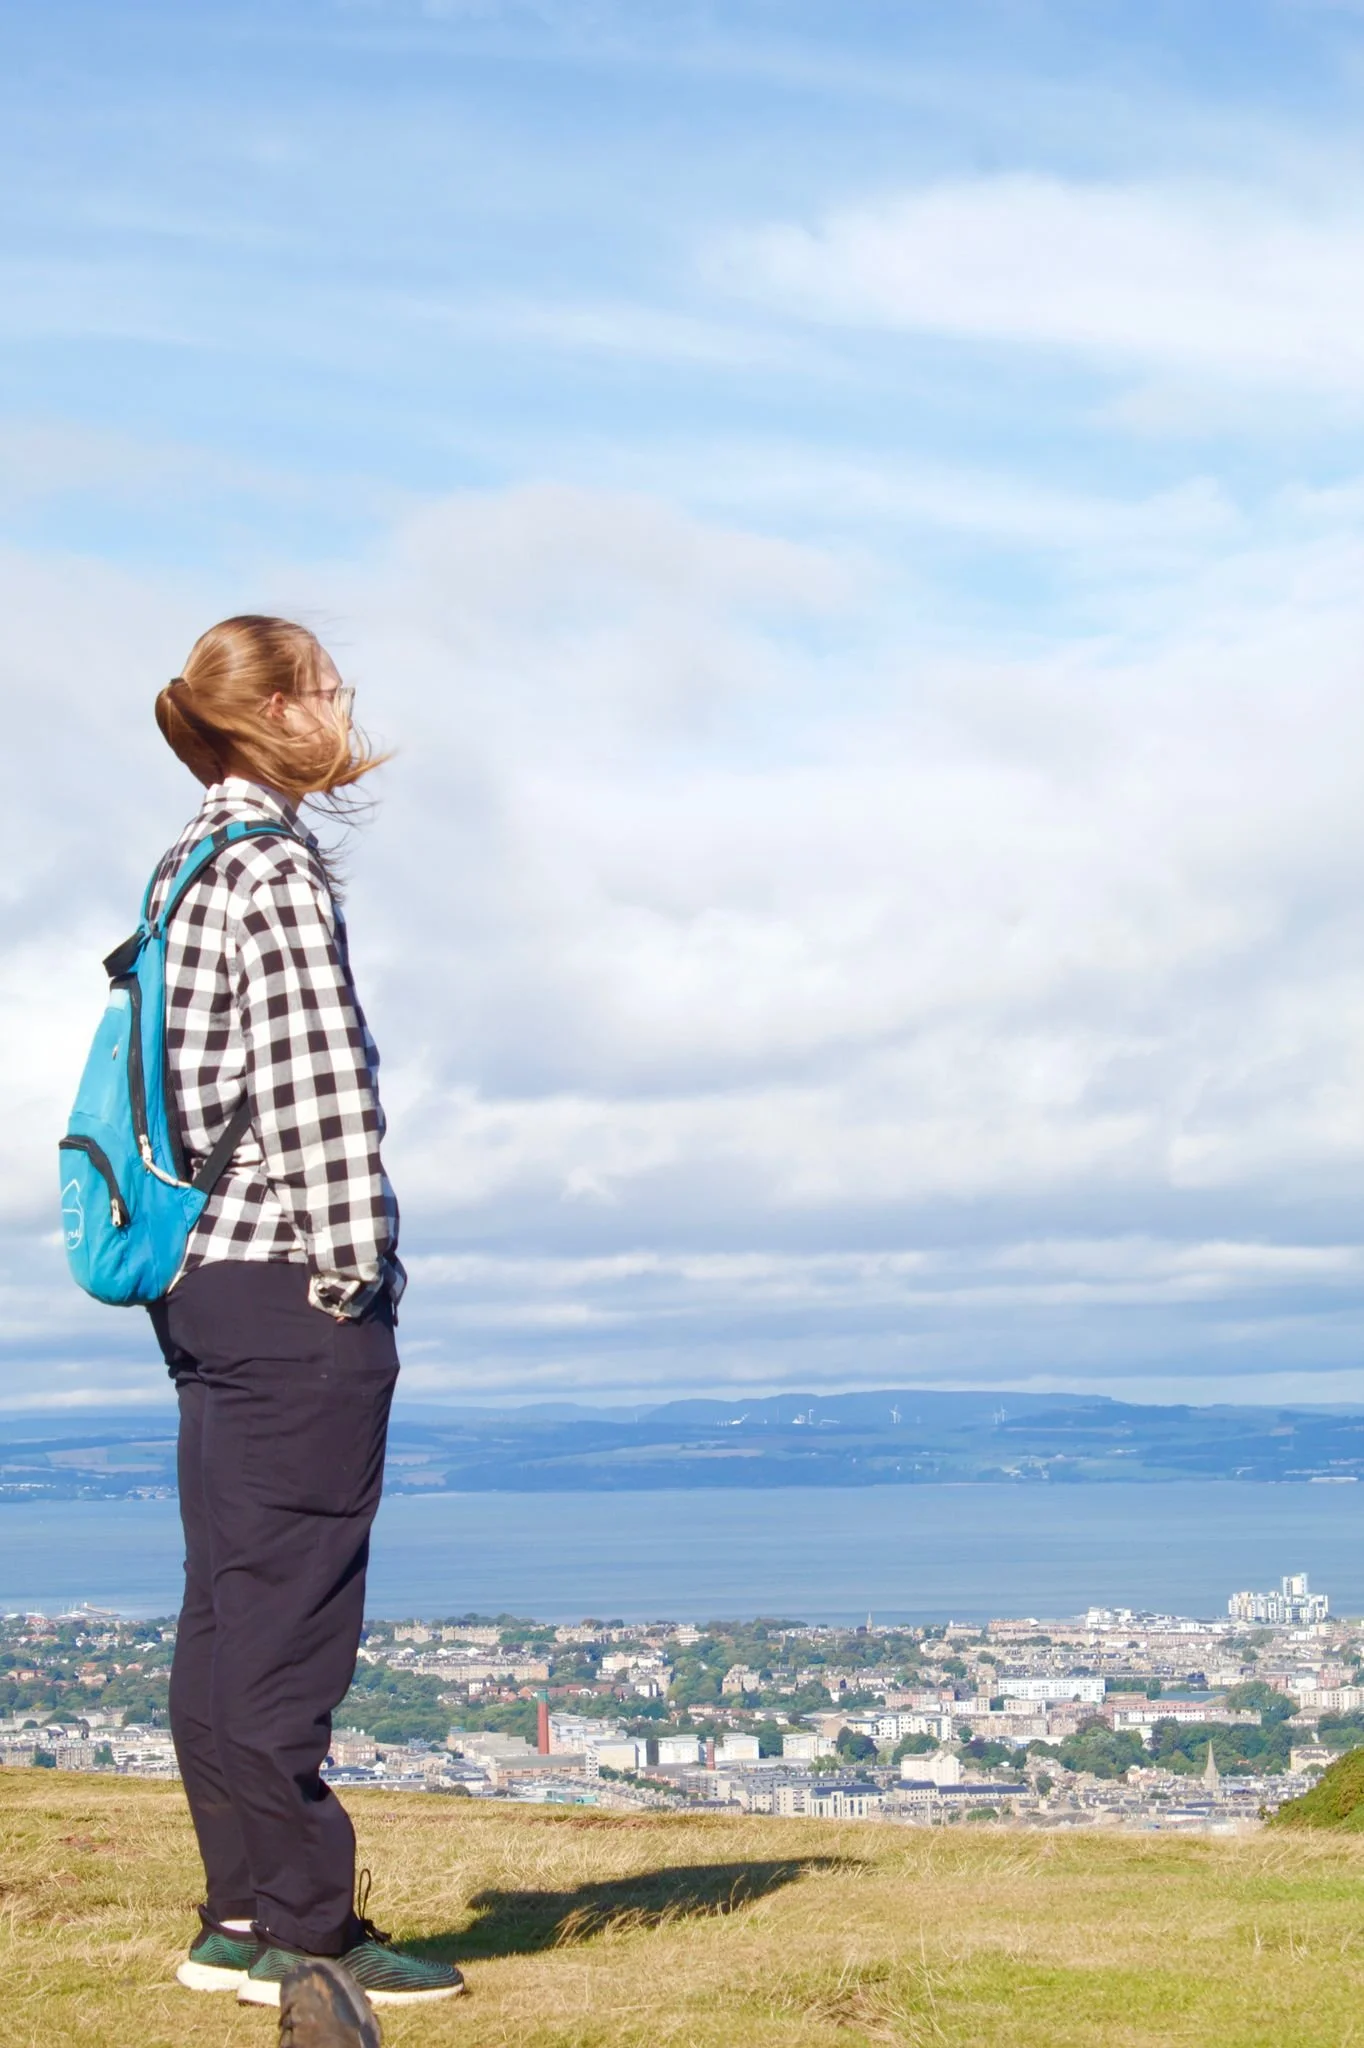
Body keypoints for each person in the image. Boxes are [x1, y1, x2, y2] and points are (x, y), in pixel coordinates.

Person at [145, 615, 463, 2011]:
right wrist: (357, 1274)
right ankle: (309, 1934)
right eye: (327, 686)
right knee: (289, 1619)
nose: (345, 708)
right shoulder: (267, 869)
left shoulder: (183, 864)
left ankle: (235, 1913)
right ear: (273, 709)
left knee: (227, 1608)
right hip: (287, 1285)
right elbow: (318, 1091)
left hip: (198, 1281)